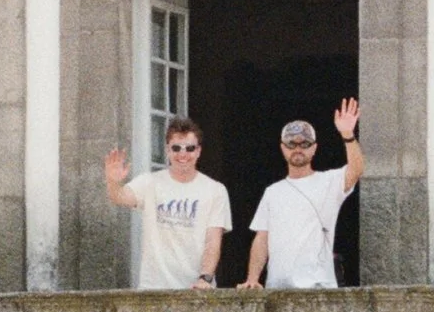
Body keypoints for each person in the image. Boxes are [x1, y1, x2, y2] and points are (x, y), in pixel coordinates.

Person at [242, 98, 363, 290]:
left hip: (319, 286)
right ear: (283, 148)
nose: (297, 148)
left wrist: (347, 135)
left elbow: (356, 170)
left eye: (304, 143)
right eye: (291, 144)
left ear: (314, 148)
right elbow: (262, 238)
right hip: (277, 287)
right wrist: (252, 278)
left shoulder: (329, 182)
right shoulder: (272, 192)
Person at [104, 117, 231, 290]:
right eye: (176, 148)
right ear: (167, 150)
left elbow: (213, 240)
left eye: (190, 148)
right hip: (153, 288)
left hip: (197, 289)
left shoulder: (215, 190)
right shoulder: (149, 182)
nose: (183, 154)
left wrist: (205, 278)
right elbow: (119, 197)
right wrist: (113, 181)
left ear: (199, 151)